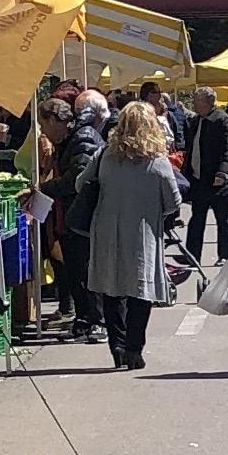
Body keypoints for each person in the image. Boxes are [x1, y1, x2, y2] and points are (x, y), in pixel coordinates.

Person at [85, 98, 186, 368]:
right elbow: (174, 201)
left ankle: (116, 345)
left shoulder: (105, 154)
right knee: (140, 291)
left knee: (111, 287)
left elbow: (80, 182)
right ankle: (134, 348)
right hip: (143, 233)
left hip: (106, 228)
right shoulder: (157, 161)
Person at [49, 86, 108, 331]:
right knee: (76, 270)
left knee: (83, 269)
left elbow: (78, 178)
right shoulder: (81, 136)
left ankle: (94, 320)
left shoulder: (83, 137)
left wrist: (46, 187)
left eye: (45, 125)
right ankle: (87, 319)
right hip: (74, 215)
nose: (44, 132)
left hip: (81, 216)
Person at [182, 87, 228, 266]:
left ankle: (225, 254)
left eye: (196, 100)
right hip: (199, 180)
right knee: (196, 219)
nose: (193, 104)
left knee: (222, 219)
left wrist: (222, 172)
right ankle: (192, 255)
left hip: (219, 181)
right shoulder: (195, 120)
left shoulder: (223, 120)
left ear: (207, 102)